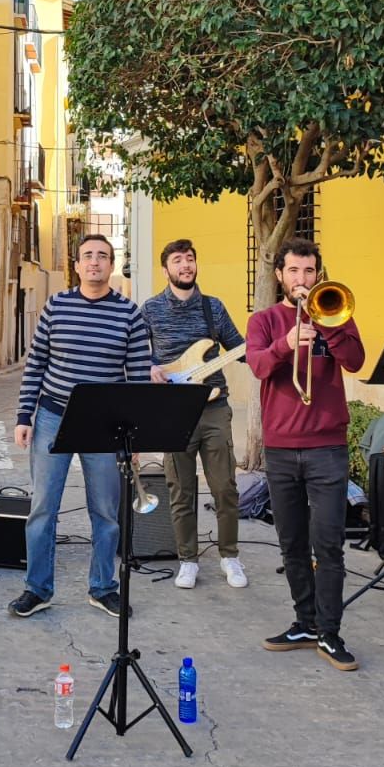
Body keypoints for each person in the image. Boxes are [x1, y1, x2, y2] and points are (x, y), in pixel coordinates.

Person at [10, 234, 154, 619]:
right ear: (76, 265)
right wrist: (25, 417)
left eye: (102, 257)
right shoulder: (56, 306)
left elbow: (138, 377)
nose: (94, 262)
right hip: (52, 417)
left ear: (112, 265)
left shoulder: (129, 313)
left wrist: (134, 432)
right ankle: (37, 589)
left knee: (105, 511)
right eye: (87, 256)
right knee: (42, 508)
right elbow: (36, 363)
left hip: (105, 423)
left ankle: (103, 587)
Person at [245, 238, 366, 671]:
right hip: (280, 448)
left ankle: (330, 634)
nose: (301, 280)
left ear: (319, 274)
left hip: (327, 447)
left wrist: (326, 324)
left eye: (309, 272)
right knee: (291, 542)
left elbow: (355, 361)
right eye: (294, 271)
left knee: (328, 544)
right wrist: (287, 343)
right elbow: (257, 365)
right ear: (280, 275)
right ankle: (305, 622)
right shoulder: (264, 320)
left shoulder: (337, 312)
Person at [146, 239, 248, 590]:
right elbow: (133, 350)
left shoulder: (213, 308)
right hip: (173, 411)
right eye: (178, 260)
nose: (186, 265)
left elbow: (240, 348)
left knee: (225, 488)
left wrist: (270, 345)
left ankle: (229, 556)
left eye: (190, 259)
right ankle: (187, 560)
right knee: (180, 490)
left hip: (214, 407)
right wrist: (150, 368)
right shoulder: (151, 308)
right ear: (166, 269)